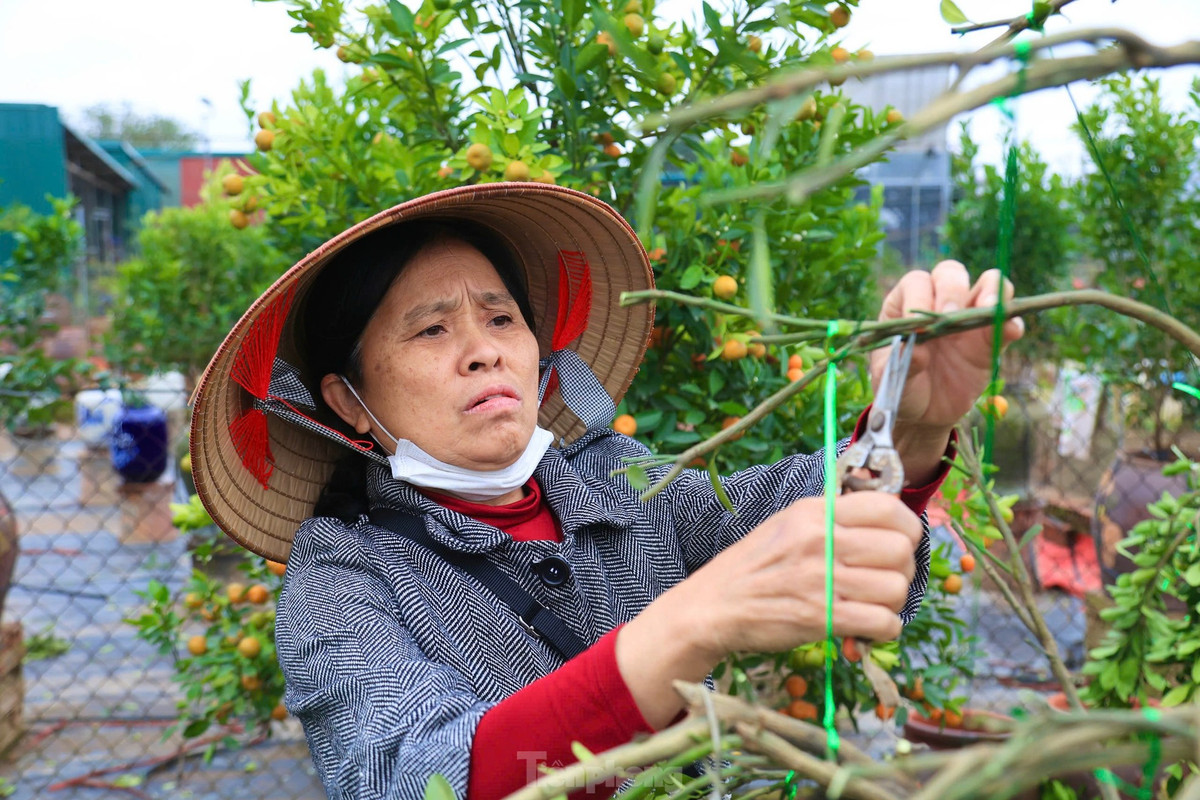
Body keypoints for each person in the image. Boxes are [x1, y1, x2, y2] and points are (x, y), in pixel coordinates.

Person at [189, 183, 1023, 800]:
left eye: (502, 318)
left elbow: (806, 519)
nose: (484, 352)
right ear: (347, 401)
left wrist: (902, 425)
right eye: (432, 328)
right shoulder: (342, 583)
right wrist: (688, 625)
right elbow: (420, 777)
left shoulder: (618, 485)